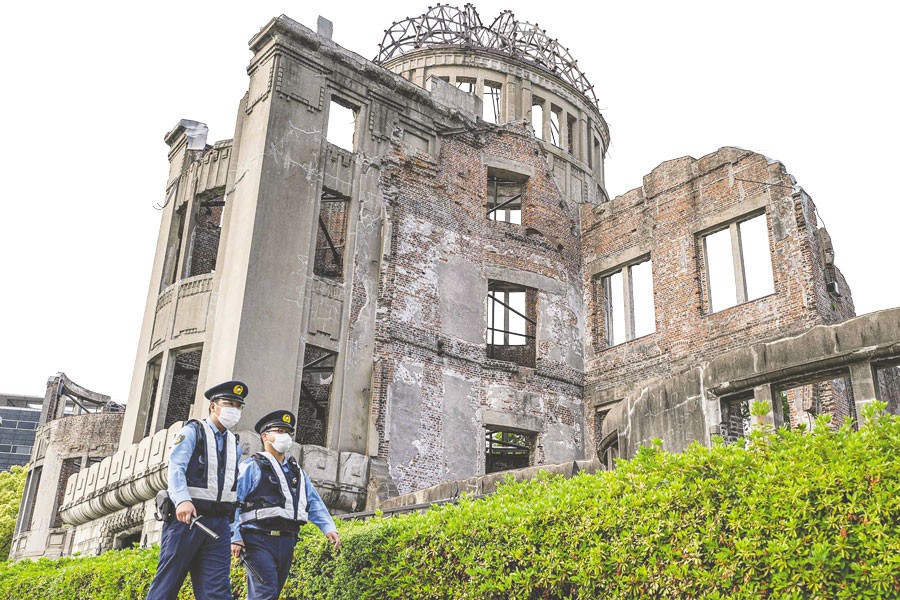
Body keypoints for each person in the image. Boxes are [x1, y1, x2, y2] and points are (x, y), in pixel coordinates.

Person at [146, 380, 248, 600]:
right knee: (167, 585)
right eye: (229, 403)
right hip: (188, 520)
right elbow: (175, 468)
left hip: (219, 525)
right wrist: (182, 500)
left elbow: (234, 488)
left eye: (238, 406)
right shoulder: (193, 432)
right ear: (213, 406)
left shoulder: (235, 444)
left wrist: (235, 528)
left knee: (217, 591)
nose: (234, 410)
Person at [230, 410, 340, 600]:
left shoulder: (296, 472)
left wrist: (328, 527)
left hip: (287, 541)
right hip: (257, 540)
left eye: (287, 432)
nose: (285, 437)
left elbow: (313, 501)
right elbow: (233, 502)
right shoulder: (252, 467)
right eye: (279, 431)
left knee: (270, 593)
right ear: (265, 436)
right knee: (265, 593)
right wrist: (235, 536)